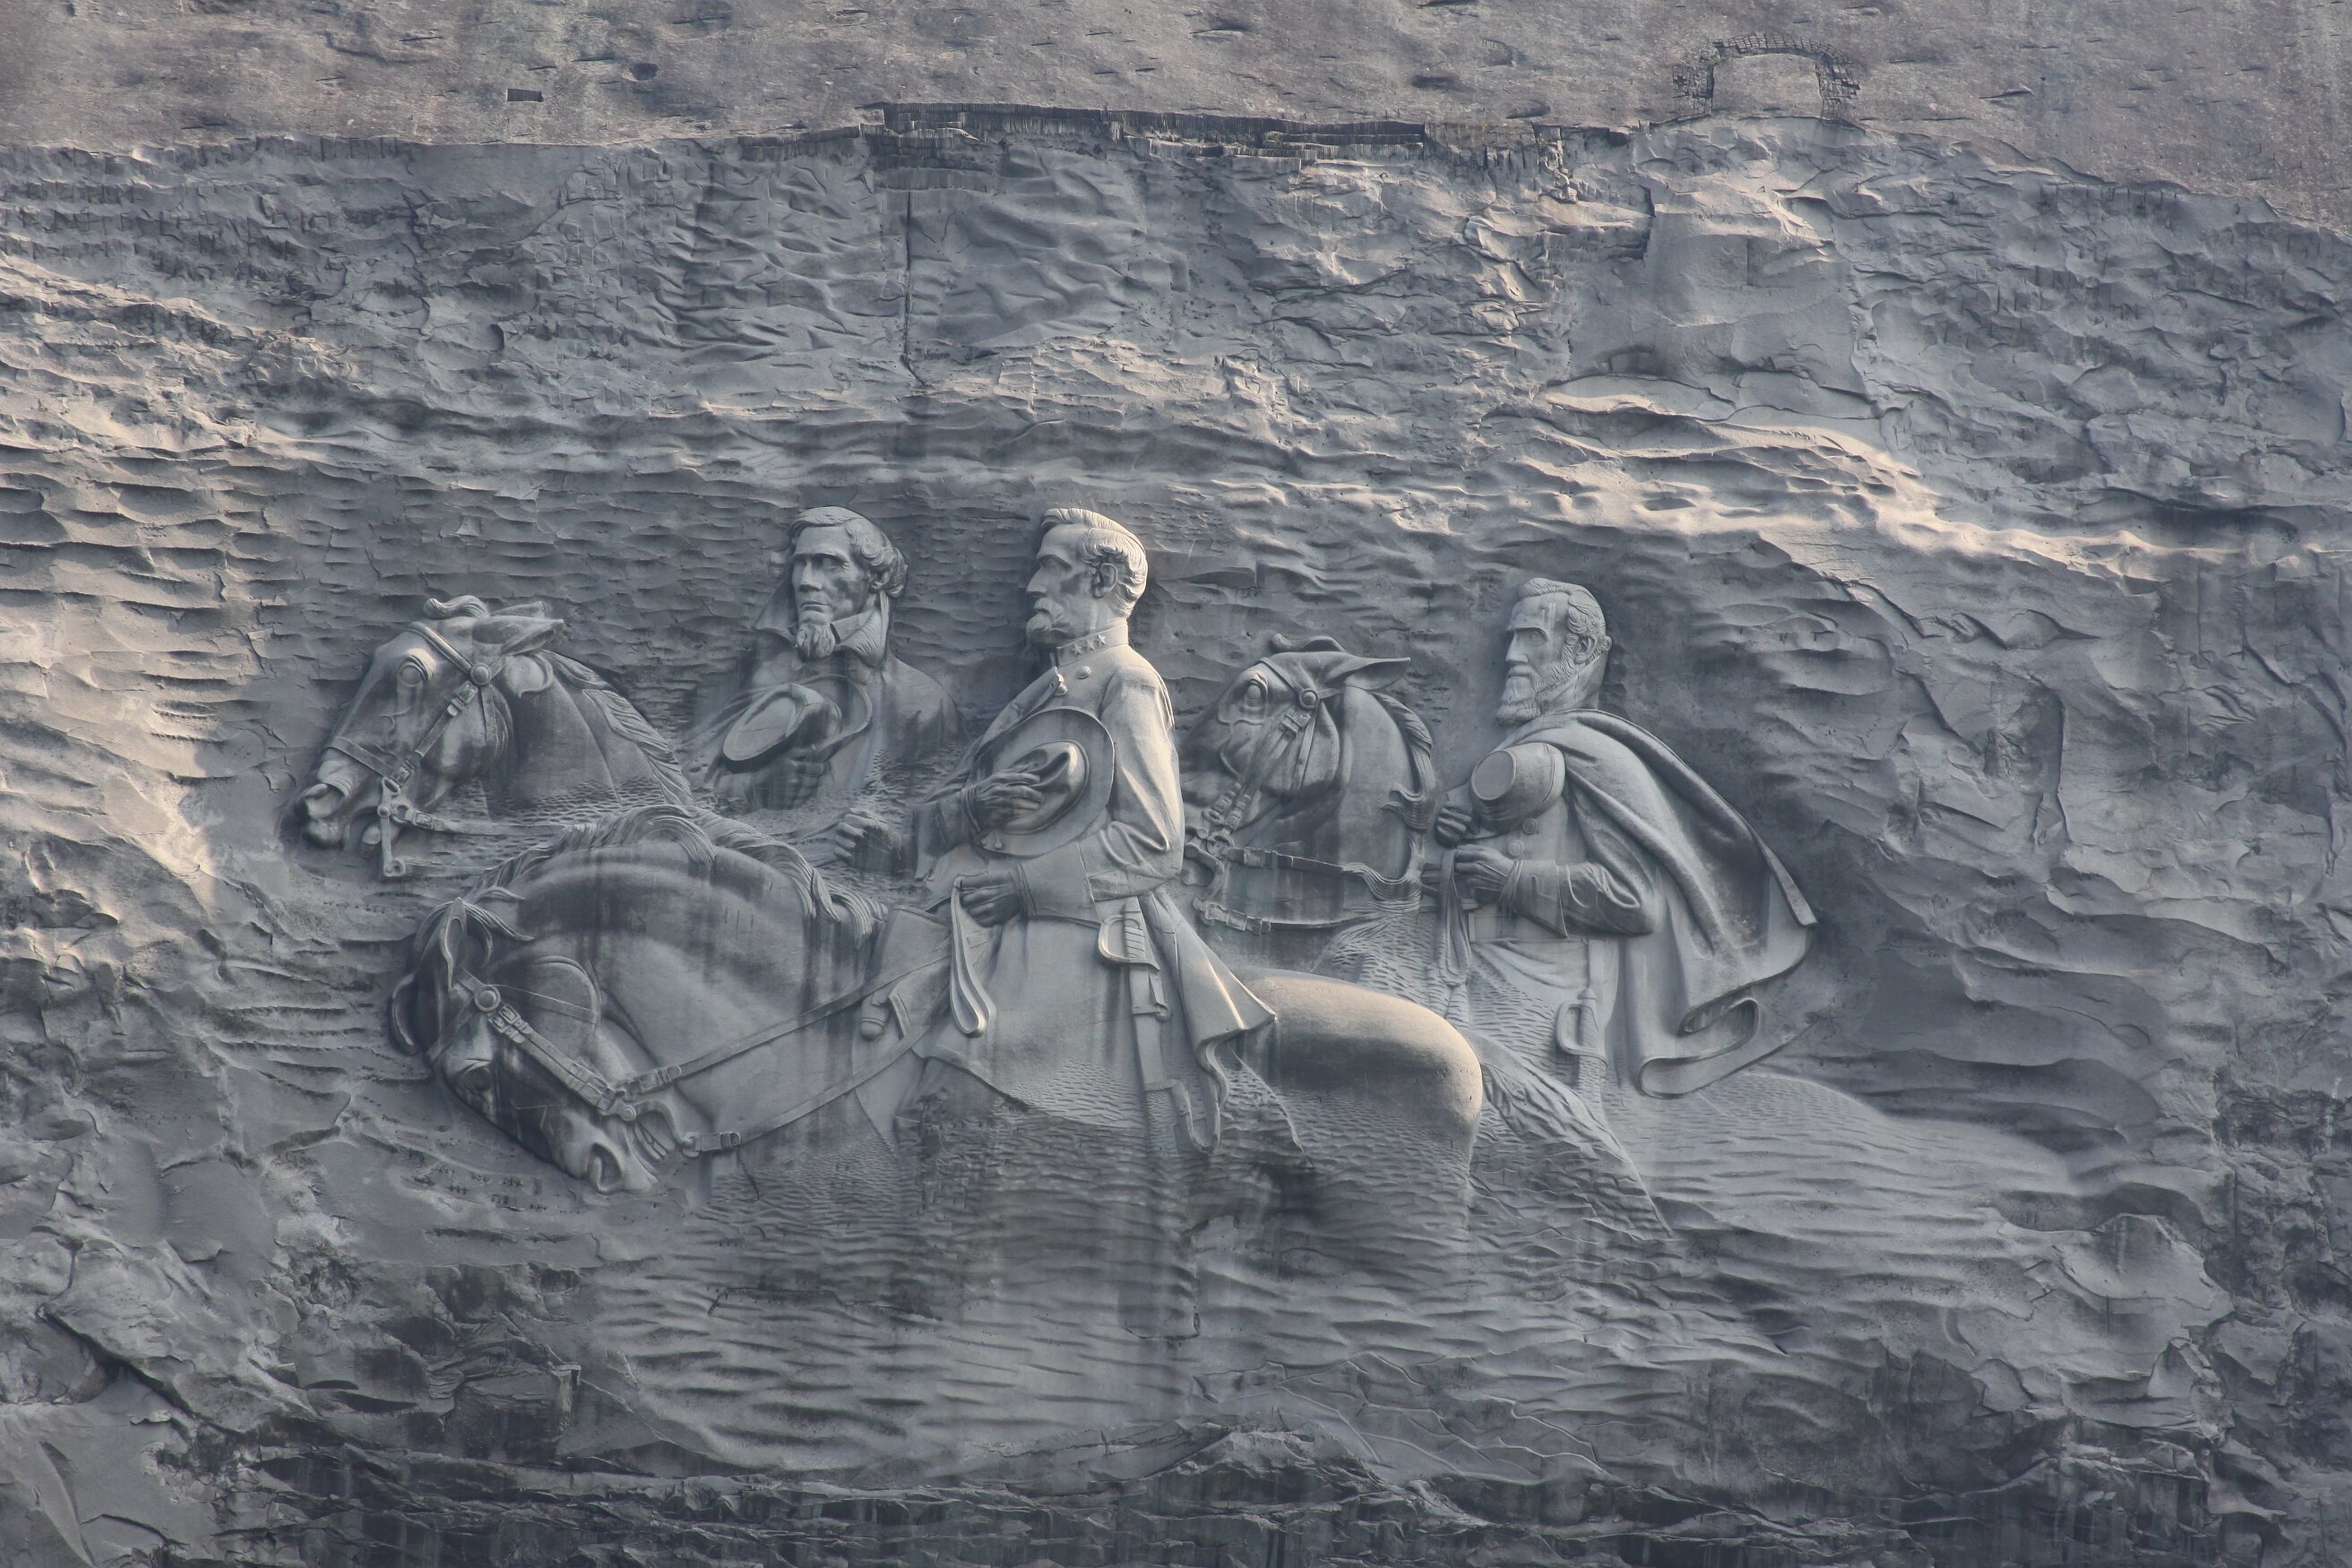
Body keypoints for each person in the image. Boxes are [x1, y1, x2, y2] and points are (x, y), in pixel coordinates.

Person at [898, 508, 1272, 1153]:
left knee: (951, 1095)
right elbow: (965, 804)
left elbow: (1154, 841)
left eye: (1051, 568)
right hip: (976, 908)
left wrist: (1023, 888)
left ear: (1102, 581)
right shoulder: (1051, 686)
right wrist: (971, 808)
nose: (1032, 587)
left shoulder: (1127, 680)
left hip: (1077, 925)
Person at [1428, 579, 1814, 1096]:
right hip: (1467, 982)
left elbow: (1634, 902)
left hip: (1540, 1010)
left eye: (1532, 638)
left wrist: (1512, 880)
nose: (1513, 656)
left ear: (1584, 649)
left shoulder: (1598, 756)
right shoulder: (1526, 748)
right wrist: (1452, 836)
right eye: (1511, 640)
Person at [691, 506, 962, 819]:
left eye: (828, 563)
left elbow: (940, 815)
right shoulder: (759, 674)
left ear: (877, 577)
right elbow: (686, 784)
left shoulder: (921, 704)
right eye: (800, 564)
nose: (806, 582)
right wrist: (756, 788)